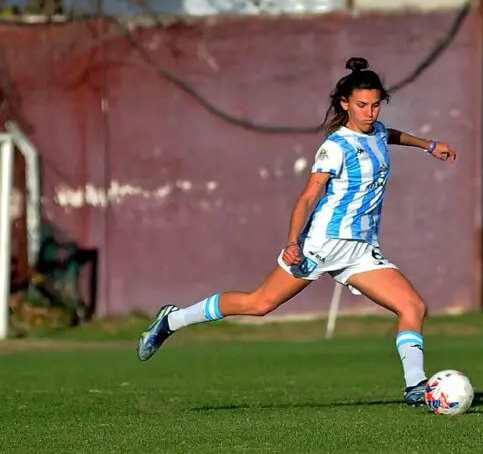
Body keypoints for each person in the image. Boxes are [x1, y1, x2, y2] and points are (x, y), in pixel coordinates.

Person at [136, 56, 457, 406]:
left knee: (412, 305)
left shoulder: (377, 131)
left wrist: (428, 145)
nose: (370, 113)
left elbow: (389, 135)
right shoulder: (336, 147)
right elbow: (307, 197)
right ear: (344, 104)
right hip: (322, 244)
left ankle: (414, 387)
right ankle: (173, 320)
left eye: (376, 105)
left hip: (361, 249)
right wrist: (292, 242)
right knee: (259, 304)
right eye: (362, 105)